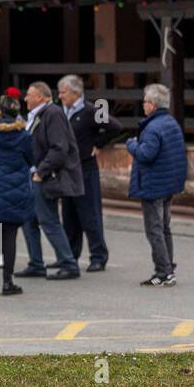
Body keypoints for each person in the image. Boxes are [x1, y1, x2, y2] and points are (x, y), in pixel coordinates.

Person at [15, 81, 83, 280]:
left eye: (30, 95)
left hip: (43, 176)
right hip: (33, 175)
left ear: (42, 98)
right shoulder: (39, 115)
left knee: (48, 220)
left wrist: (41, 172)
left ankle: (69, 263)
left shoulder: (52, 114)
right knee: (29, 221)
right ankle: (36, 263)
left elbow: (59, 148)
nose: (26, 99)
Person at [58, 74, 121, 272]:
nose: (60, 96)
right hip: (67, 170)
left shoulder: (90, 110)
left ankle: (98, 256)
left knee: (90, 215)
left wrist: (98, 143)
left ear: (76, 92)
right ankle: (70, 256)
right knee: (69, 216)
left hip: (85, 168)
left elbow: (115, 127)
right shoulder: (62, 111)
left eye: (64, 92)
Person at [127, 83, 186, 287]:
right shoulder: (171, 122)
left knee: (154, 229)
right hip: (169, 183)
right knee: (164, 227)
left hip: (154, 185)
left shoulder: (152, 128)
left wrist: (132, 144)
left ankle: (163, 272)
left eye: (144, 102)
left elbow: (145, 154)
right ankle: (168, 268)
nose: (143, 105)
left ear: (152, 104)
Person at [0, 88, 35, 296]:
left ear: (0, 112)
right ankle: (7, 282)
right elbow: (32, 159)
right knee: (10, 237)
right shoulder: (23, 135)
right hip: (16, 190)